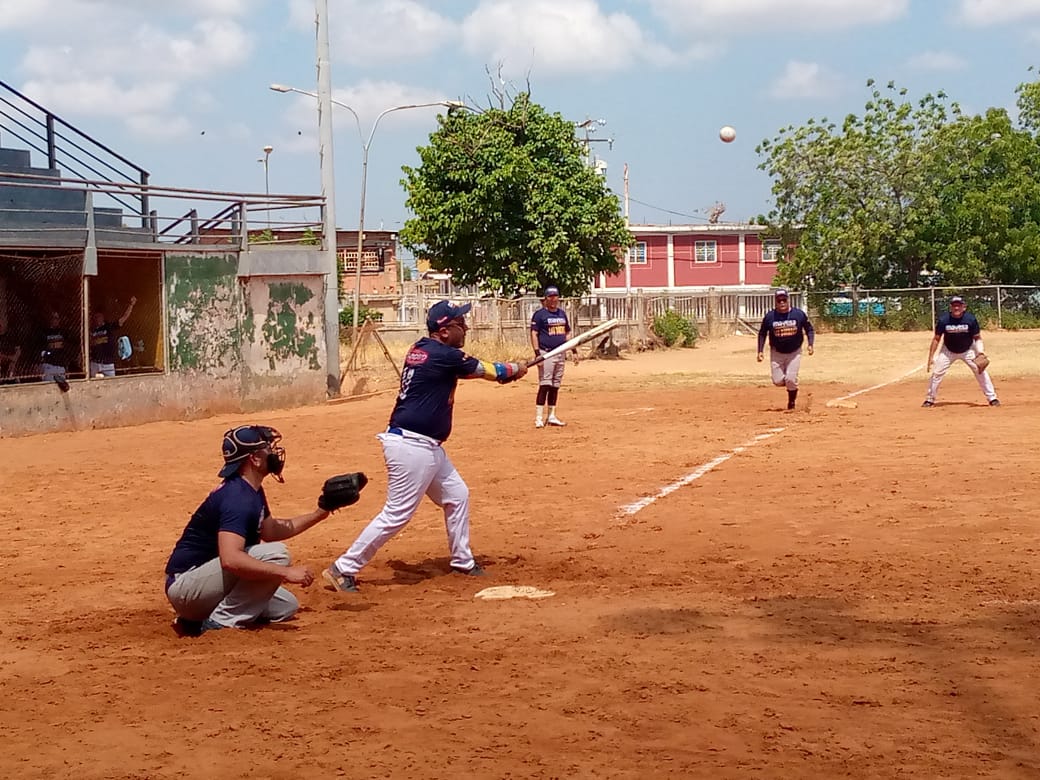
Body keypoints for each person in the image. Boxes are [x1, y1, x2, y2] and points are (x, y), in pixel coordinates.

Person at [323, 300, 527, 594]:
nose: (466, 328)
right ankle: (343, 568)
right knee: (397, 514)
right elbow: (488, 369)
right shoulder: (445, 355)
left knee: (457, 495)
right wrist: (514, 369)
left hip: (423, 445)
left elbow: (474, 372)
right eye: (460, 324)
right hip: (412, 445)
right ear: (444, 331)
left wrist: (505, 374)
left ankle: (463, 560)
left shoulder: (423, 349)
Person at [164, 425, 334, 635]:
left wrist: (321, 512)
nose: (274, 453)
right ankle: (220, 622)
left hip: (206, 584)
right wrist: (286, 572)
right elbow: (231, 559)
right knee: (277, 554)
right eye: (268, 449)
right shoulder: (237, 498)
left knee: (285, 605)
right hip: (187, 587)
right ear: (254, 459)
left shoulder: (251, 489)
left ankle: (195, 620)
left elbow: (270, 530)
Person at [923, 295, 999, 408]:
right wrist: (931, 357)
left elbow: (977, 337)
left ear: (964, 307)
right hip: (948, 350)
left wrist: (980, 352)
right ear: (950, 307)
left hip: (968, 349)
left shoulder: (970, 319)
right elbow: (937, 338)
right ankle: (930, 399)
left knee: (981, 371)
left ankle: (992, 398)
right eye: (954, 306)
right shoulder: (944, 320)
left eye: (959, 305)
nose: (956, 308)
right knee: (937, 373)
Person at [757, 288, 815, 410]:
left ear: (788, 300)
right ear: (775, 302)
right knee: (777, 381)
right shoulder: (770, 316)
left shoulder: (798, 314)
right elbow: (762, 333)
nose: (782, 303)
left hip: (794, 352)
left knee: (790, 378)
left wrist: (810, 344)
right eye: (779, 301)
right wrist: (760, 351)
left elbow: (809, 329)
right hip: (777, 352)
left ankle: (791, 402)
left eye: (784, 300)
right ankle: (792, 384)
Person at [530, 285, 575, 427]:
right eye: (550, 296)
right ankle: (538, 417)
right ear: (546, 299)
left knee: (555, 385)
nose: (553, 299)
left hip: (561, 352)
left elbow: (567, 333)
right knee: (545, 384)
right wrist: (538, 354)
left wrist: (573, 351)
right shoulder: (540, 315)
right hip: (546, 352)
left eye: (555, 296)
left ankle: (551, 415)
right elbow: (534, 334)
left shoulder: (561, 314)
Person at [89, 296, 136, 378]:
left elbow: (123, 319)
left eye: (99, 317)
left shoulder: (109, 327)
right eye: (95, 317)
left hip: (108, 362)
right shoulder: (91, 330)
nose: (97, 319)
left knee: (111, 381)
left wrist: (131, 305)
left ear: (103, 317)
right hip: (95, 362)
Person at [40, 310, 71, 391]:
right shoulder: (44, 332)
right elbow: (41, 350)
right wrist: (49, 352)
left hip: (61, 365)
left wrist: (66, 366)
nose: (55, 320)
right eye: (53, 318)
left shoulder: (63, 332)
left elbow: (67, 349)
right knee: (48, 389)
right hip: (49, 365)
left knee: (63, 388)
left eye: (57, 318)